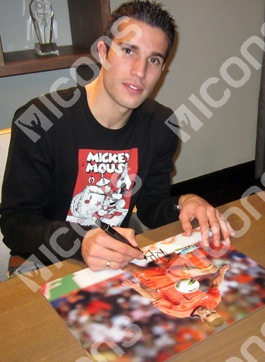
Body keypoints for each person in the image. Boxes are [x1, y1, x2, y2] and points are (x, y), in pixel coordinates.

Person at [0, 0, 234, 275]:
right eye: (128, 51)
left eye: (154, 59)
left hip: (115, 260)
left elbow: (150, 208)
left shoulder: (162, 125)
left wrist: (184, 202)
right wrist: (79, 242)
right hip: (44, 263)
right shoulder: (40, 120)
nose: (140, 71)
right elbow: (15, 224)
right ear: (103, 51)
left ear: (162, 70)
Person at [122, 261, 230, 328]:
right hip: (182, 276)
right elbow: (215, 284)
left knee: (130, 267)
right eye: (213, 312)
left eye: (207, 315)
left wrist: (137, 288)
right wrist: (222, 273)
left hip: (161, 282)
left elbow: (153, 298)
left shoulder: (181, 313)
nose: (208, 311)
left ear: (202, 319)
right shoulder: (213, 301)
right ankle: (168, 259)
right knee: (212, 268)